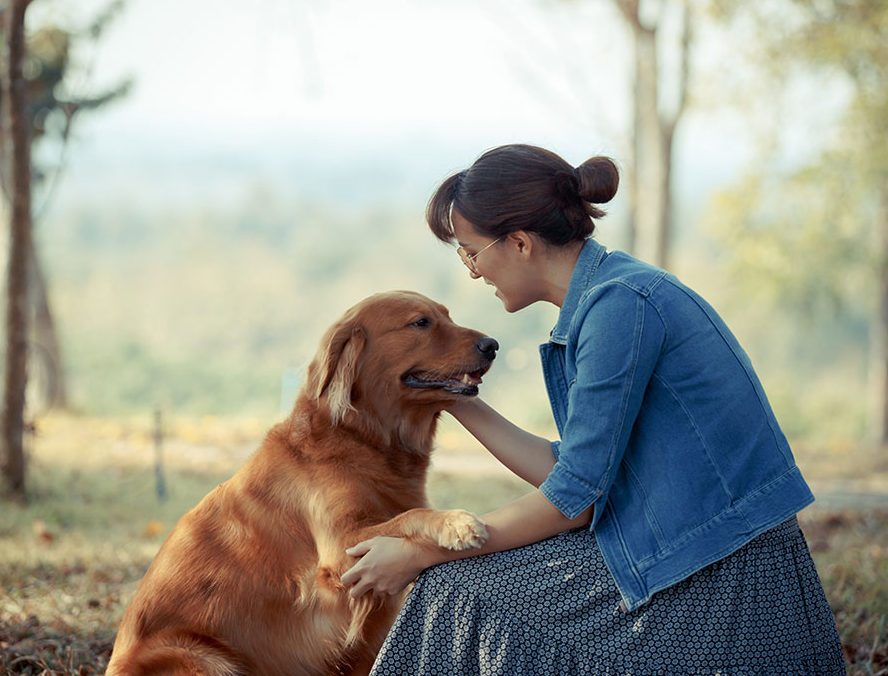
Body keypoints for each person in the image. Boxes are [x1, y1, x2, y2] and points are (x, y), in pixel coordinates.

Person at [340, 144, 845, 675]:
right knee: (469, 586)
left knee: (458, 591)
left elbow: (573, 502)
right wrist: (457, 395)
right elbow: (577, 474)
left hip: (721, 581)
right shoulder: (606, 298)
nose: (471, 272)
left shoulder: (619, 308)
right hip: (674, 546)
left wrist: (424, 551)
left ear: (518, 243)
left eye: (470, 252)